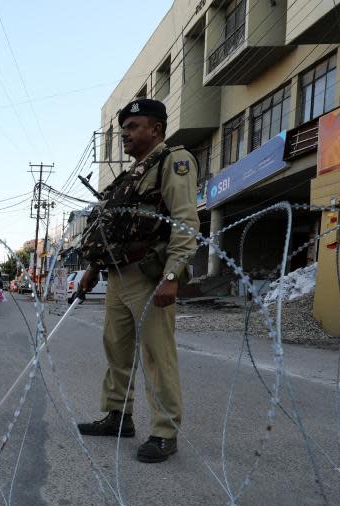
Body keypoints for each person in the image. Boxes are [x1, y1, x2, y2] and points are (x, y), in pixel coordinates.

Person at [75, 99, 199, 464]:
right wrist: (93, 268)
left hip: (150, 275)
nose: (125, 135)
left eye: (133, 127)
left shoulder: (173, 163)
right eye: (124, 128)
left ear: (155, 129)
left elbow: (184, 222)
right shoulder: (128, 177)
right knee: (116, 348)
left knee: (157, 355)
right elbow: (112, 228)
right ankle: (118, 415)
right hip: (117, 274)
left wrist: (172, 276)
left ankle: (164, 431)